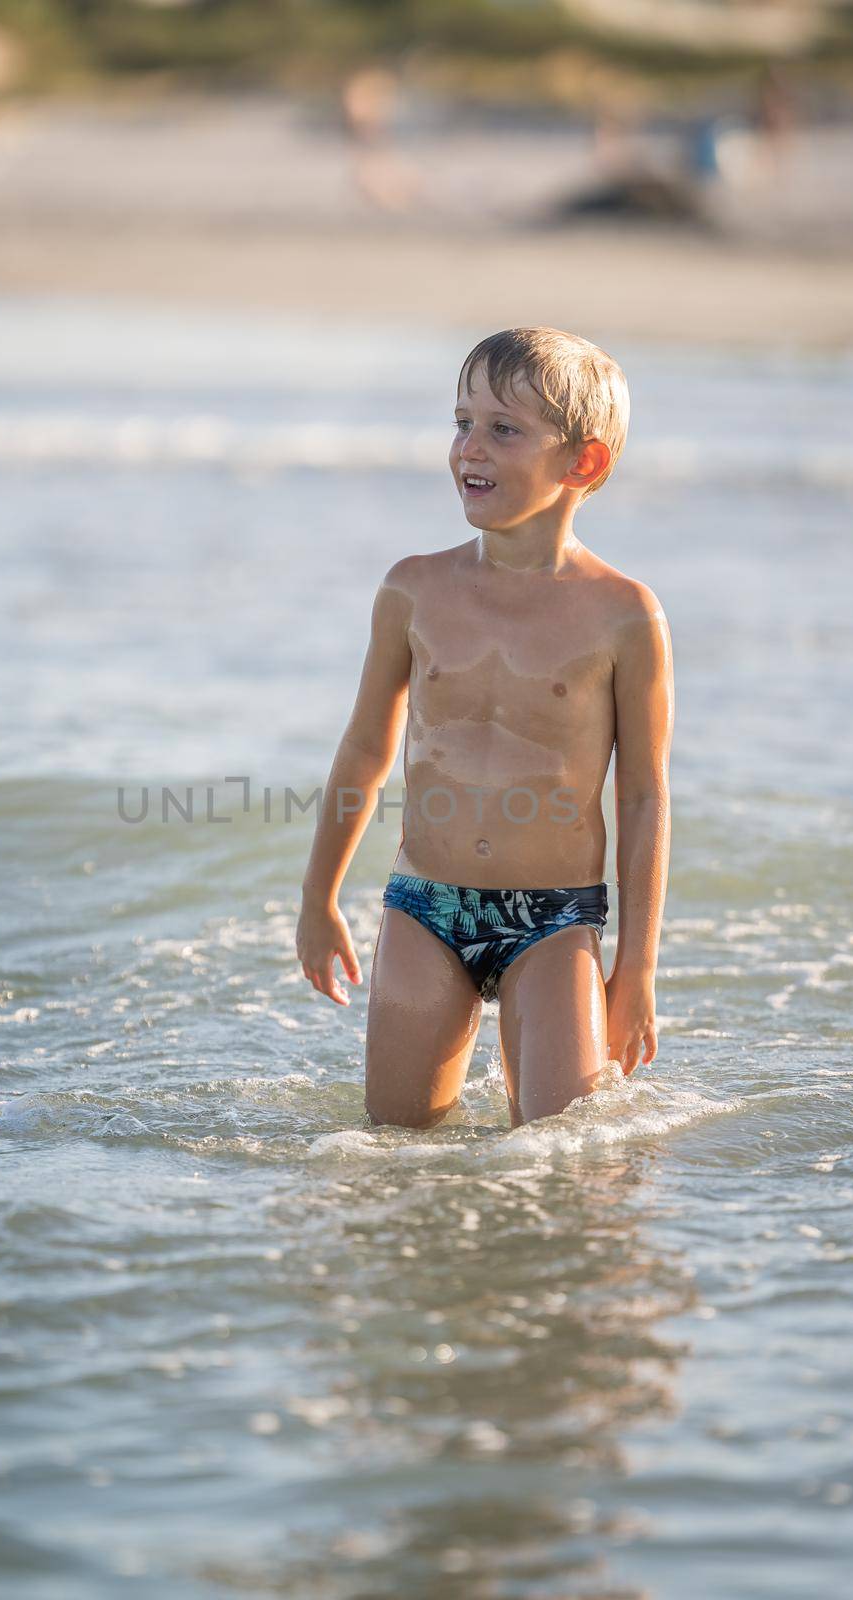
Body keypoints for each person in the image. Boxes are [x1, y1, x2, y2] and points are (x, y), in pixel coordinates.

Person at [295, 328, 673, 1130]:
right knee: (394, 1148)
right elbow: (364, 749)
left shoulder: (624, 616)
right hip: (423, 908)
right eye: (461, 421)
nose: (469, 446)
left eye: (503, 429)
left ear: (583, 463)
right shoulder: (413, 590)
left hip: (554, 920)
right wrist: (317, 897)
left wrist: (635, 967)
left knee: (563, 1158)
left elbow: (642, 796)